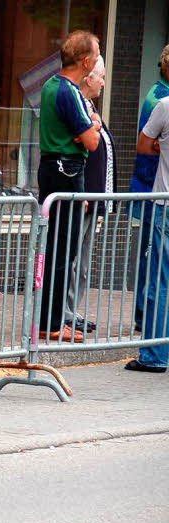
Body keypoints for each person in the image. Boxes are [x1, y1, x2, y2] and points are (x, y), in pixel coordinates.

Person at [37, 30, 101, 343]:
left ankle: (48, 317)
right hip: (67, 168)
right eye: (98, 54)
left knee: (56, 248)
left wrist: (86, 130)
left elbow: (83, 134)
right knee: (64, 250)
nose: (99, 59)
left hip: (53, 168)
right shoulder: (69, 91)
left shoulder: (50, 85)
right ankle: (51, 321)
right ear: (87, 61)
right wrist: (92, 128)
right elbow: (91, 140)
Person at [65, 56, 114, 334]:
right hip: (83, 197)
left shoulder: (90, 107)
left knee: (82, 263)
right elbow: (81, 147)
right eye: (101, 76)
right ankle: (65, 313)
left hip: (93, 199)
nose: (104, 82)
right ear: (89, 77)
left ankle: (72, 311)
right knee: (72, 259)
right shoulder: (79, 106)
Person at [126, 95, 169, 373]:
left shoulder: (164, 105)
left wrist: (160, 144)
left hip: (166, 204)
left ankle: (155, 355)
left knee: (160, 280)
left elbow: (143, 145)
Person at [129, 44, 169, 330]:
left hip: (157, 189)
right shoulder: (159, 99)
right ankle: (146, 316)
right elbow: (146, 147)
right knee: (151, 258)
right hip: (151, 189)